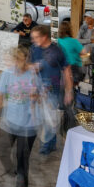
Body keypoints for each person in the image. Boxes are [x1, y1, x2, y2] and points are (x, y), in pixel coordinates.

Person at [0, 46, 42, 187]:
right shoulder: (6, 75)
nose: (18, 63)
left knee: (22, 158)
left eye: (21, 59)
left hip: (28, 125)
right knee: (3, 152)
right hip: (8, 123)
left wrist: (35, 95)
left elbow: (39, 97)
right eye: (16, 59)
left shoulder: (33, 75)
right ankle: (12, 177)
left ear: (26, 59)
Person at [31, 26, 72, 156]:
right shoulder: (34, 49)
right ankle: (52, 143)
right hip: (38, 88)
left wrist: (69, 91)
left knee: (49, 117)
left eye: (36, 37)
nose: (34, 40)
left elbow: (67, 70)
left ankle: (46, 145)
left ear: (44, 37)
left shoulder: (57, 50)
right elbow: (29, 67)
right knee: (45, 117)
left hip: (53, 89)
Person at [56, 20, 86, 84]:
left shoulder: (58, 41)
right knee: (75, 86)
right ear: (69, 30)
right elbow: (83, 53)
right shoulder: (74, 41)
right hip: (74, 67)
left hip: (62, 67)